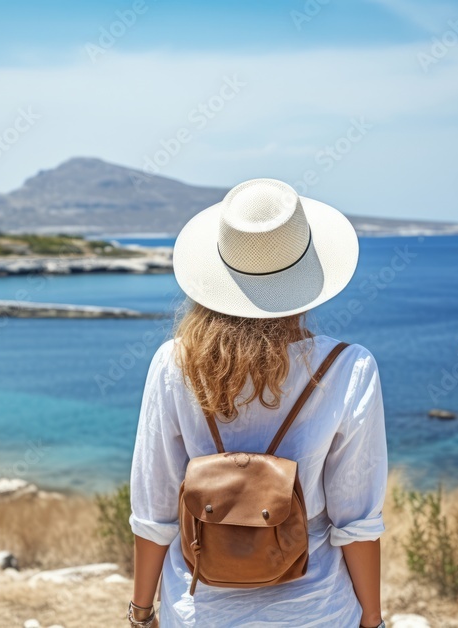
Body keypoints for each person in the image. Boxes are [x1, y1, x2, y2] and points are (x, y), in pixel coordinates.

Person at [127, 178, 388, 627]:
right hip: (313, 611)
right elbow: (356, 521)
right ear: (306, 276)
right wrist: (372, 619)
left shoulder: (174, 363)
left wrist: (140, 612)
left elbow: (154, 511)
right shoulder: (349, 368)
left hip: (197, 610)